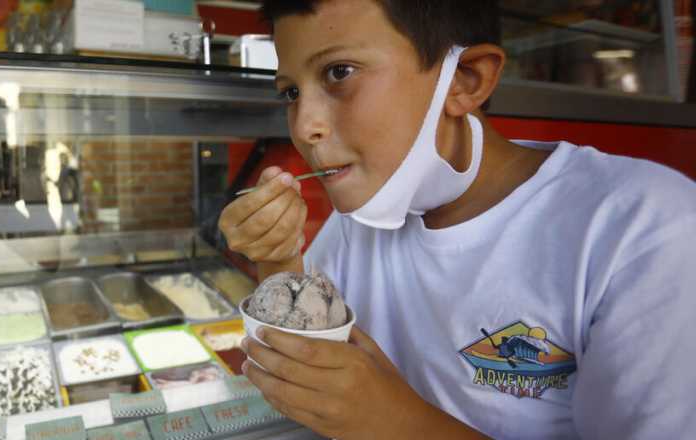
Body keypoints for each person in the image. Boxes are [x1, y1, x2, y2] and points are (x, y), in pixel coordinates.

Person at [217, 1, 696, 438]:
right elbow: (299, 380)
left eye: (339, 72)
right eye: (291, 93)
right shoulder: (359, 223)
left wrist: (396, 423)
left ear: (465, 80)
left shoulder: (641, 228)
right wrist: (277, 258)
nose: (305, 126)